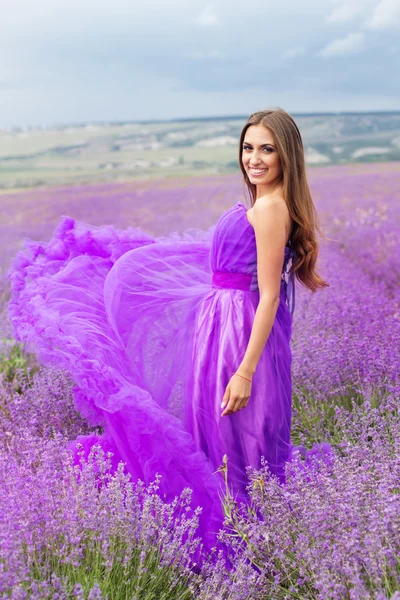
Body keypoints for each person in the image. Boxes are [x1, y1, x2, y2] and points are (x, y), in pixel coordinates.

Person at [8, 107, 329, 554]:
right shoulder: (262, 203)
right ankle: (241, 524)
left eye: (267, 150)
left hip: (237, 335)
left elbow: (270, 297)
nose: (254, 158)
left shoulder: (273, 209)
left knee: (238, 432)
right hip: (219, 325)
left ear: (287, 157)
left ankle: (249, 538)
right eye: (248, 147)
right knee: (216, 433)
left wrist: (244, 372)